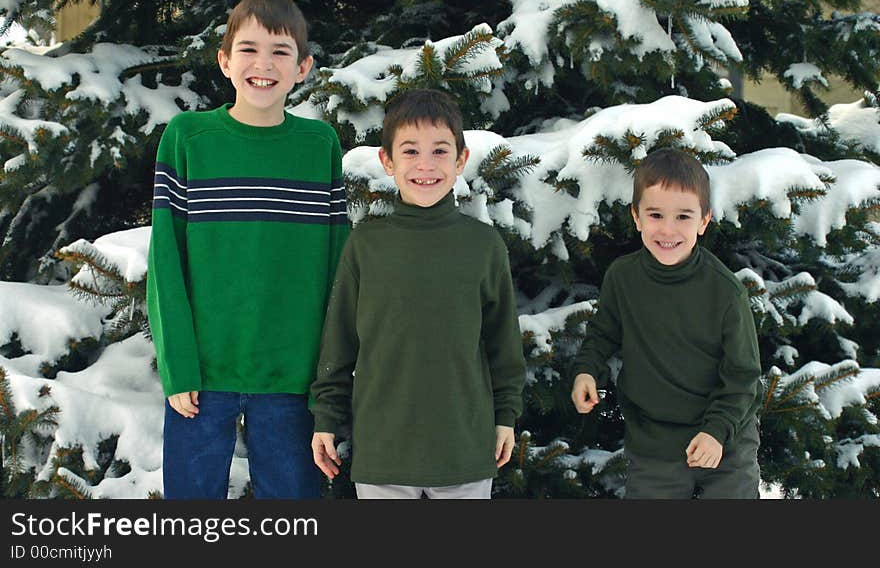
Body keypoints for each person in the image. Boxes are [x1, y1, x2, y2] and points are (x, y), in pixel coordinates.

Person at [146, 0, 349, 499]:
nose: (264, 64)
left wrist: (328, 383)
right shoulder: (188, 138)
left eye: (281, 52)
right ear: (224, 61)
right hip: (202, 379)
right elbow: (165, 263)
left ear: (303, 67)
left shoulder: (320, 146)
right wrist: (178, 367)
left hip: (293, 379)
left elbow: (338, 274)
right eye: (249, 49)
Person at [309, 88, 526, 499]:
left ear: (460, 160)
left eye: (440, 151)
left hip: (465, 449)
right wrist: (326, 418)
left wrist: (506, 415)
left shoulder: (483, 245)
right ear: (387, 161)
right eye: (410, 151)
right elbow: (339, 343)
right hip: (383, 452)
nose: (425, 165)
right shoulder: (366, 244)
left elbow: (503, 346)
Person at [570, 147, 762, 498]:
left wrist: (717, 431)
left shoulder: (725, 293)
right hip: (654, 440)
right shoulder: (623, 277)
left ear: (704, 221)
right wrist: (586, 370)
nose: (668, 229)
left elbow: (743, 375)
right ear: (637, 217)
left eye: (684, 217)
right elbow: (603, 334)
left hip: (724, 439)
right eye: (656, 215)